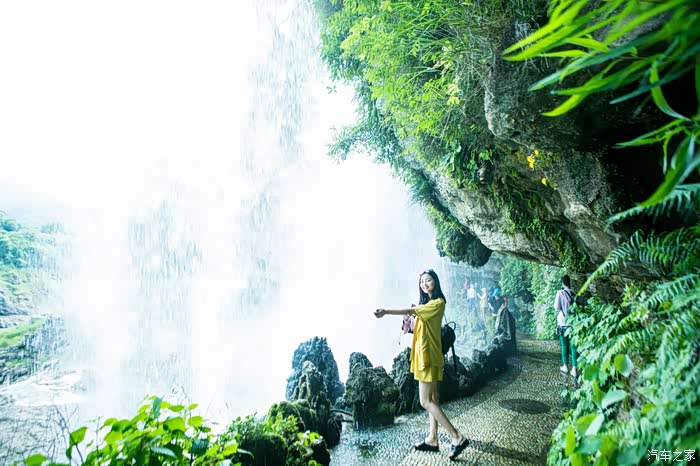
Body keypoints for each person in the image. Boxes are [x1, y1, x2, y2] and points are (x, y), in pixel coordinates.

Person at [374, 269, 470, 460]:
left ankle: (457, 437)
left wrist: (385, 311)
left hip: (427, 357)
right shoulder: (428, 304)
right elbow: (418, 321)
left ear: (436, 282)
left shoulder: (437, 303)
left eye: (428, 280)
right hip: (427, 355)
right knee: (433, 398)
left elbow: (412, 311)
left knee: (425, 401)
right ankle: (432, 439)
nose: (425, 284)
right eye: (422, 282)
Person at [554, 275, 577, 378]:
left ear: (563, 283)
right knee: (574, 346)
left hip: (563, 323)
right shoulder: (574, 293)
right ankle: (574, 369)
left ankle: (565, 366)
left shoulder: (560, 293)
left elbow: (556, 307)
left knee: (564, 345)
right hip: (574, 324)